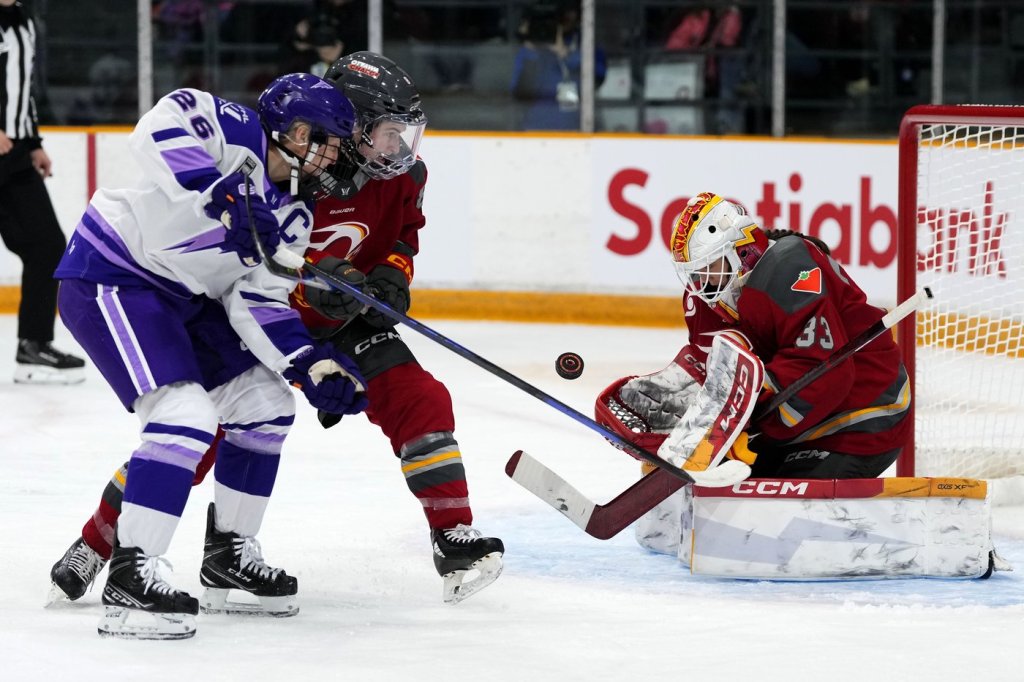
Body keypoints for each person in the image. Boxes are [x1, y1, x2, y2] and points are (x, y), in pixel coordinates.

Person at [49, 52, 504, 608]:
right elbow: (170, 134)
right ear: (339, 126)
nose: (399, 148)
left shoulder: (374, 183)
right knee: (196, 431)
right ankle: (103, 544)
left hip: (322, 323)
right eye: (388, 132)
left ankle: (448, 534)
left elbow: (394, 239)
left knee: (402, 399)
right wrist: (223, 195)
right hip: (226, 308)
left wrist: (387, 281)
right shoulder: (276, 157)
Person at [50, 72, 368, 640]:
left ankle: (228, 557)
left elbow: (257, 300)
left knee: (267, 405)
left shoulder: (295, 215)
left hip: (184, 299)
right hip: (113, 272)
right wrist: (219, 191)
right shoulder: (236, 130)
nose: (336, 159)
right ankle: (131, 576)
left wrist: (310, 364)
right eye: (332, 144)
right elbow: (159, 126)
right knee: (184, 416)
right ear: (299, 133)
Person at [597, 192, 911, 480]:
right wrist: (678, 411)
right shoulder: (706, 297)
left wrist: (745, 424)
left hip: (865, 418)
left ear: (741, 251)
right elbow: (713, 372)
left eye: (708, 267)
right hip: (799, 426)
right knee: (721, 479)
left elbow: (826, 376)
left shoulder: (789, 268)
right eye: (693, 273)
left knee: (777, 499)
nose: (701, 282)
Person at [0, 0, 86, 383]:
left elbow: (23, 86)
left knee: (47, 246)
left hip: (15, 154)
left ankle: (33, 346)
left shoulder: (24, 20)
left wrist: (33, 142)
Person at [510, 1, 607, 131]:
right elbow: (519, 93)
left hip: (575, 130)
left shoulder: (586, 43)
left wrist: (566, 54)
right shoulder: (527, 52)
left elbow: (598, 79)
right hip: (534, 131)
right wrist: (532, 51)